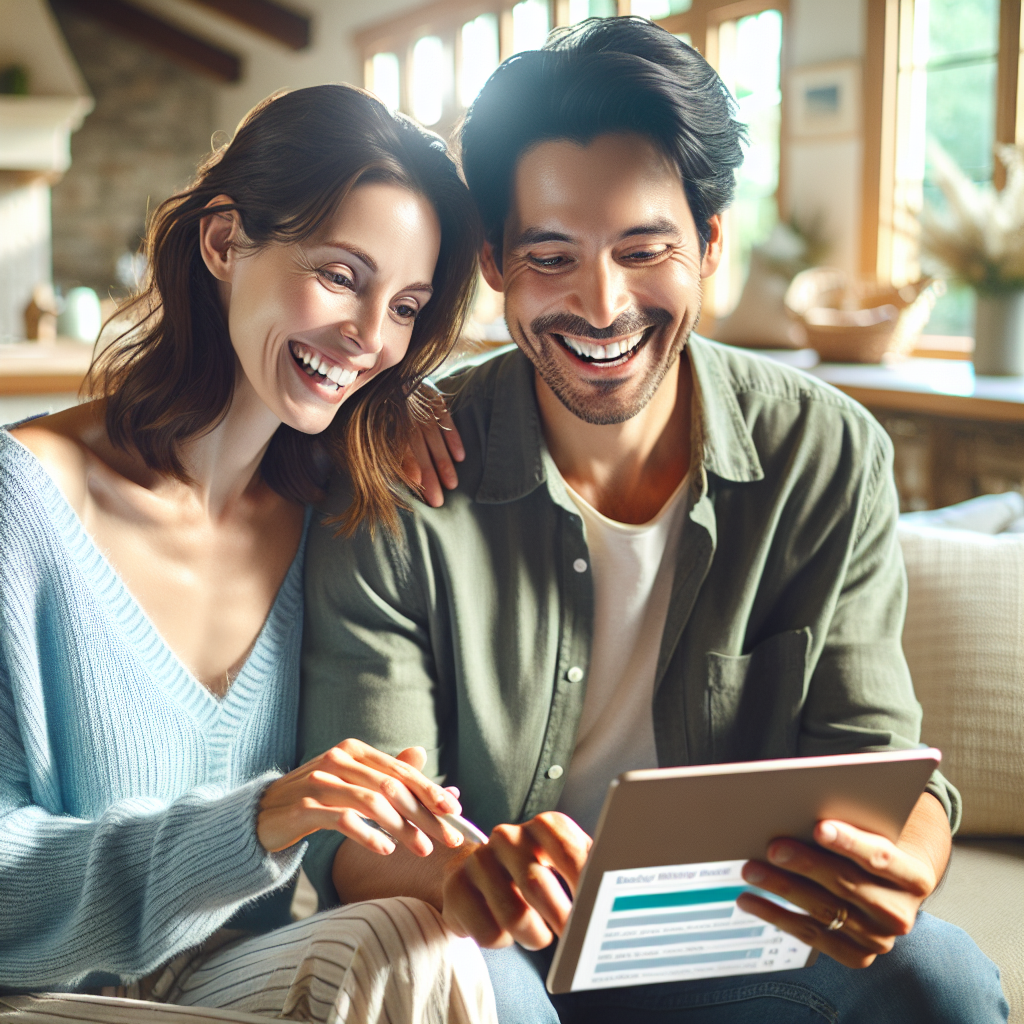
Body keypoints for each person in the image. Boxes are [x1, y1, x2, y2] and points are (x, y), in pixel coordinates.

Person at [299, 19, 1009, 1024]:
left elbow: (873, 762)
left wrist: (899, 865)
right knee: (465, 984)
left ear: (710, 243)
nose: (600, 304)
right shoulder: (402, 472)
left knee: (934, 976)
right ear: (495, 260)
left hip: (732, 938)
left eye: (644, 251)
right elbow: (363, 831)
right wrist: (466, 870)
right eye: (551, 257)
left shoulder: (826, 452)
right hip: (503, 951)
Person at [0, 84, 498, 1024]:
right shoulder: (21, 506)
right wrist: (260, 818)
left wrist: (479, 867)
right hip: (38, 995)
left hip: (222, 985)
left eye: (406, 307)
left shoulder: (330, 516)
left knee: (414, 939)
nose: (368, 340)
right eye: (344, 275)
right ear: (225, 242)